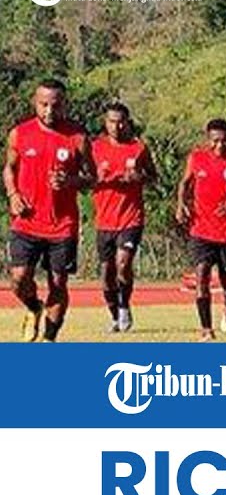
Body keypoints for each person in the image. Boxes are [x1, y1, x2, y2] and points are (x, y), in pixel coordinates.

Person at [4, 79, 94, 342]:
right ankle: (34, 307)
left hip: (62, 224)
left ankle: (49, 339)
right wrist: (13, 194)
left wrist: (71, 181)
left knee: (58, 282)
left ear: (64, 105)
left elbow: (92, 178)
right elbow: (9, 168)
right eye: (43, 105)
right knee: (19, 278)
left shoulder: (77, 137)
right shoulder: (20, 133)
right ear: (35, 103)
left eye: (55, 105)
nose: (49, 111)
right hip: (26, 221)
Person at [90, 101, 155, 333]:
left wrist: (139, 177)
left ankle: (125, 306)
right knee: (107, 274)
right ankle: (114, 315)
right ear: (105, 122)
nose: (116, 126)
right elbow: (83, 178)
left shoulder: (138, 147)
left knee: (123, 263)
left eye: (120, 122)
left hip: (131, 218)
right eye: (111, 121)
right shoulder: (95, 147)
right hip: (104, 220)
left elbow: (153, 176)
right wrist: (96, 178)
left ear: (127, 122)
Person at [175, 119, 226, 341]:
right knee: (202, 274)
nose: (219, 145)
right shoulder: (197, 158)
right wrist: (181, 205)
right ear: (208, 139)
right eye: (215, 141)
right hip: (201, 229)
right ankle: (206, 329)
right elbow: (185, 183)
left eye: (224, 141)